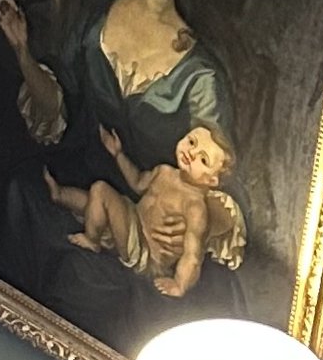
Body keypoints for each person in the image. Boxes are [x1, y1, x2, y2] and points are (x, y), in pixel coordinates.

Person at [0, 0, 247, 317]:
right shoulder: (96, 23)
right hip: (90, 193)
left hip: (151, 237)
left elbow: (221, 171)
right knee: (19, 195)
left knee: (87, 284)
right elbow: (57, 109)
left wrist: (190, 222)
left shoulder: (201, 72)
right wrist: (22, 52)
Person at [45, 120, 241, 298]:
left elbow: (192, 254)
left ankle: (92, 240)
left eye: (203, 160)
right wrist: (118, 154)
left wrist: (179, 285)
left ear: (212, 180)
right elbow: (138, 182)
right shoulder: (164, 171)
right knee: (94, 202)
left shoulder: (195, 206)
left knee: (101, 191)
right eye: (191, 142)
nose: (191, 153)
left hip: (145, 253)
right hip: (132, 222)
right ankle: (59, 195)